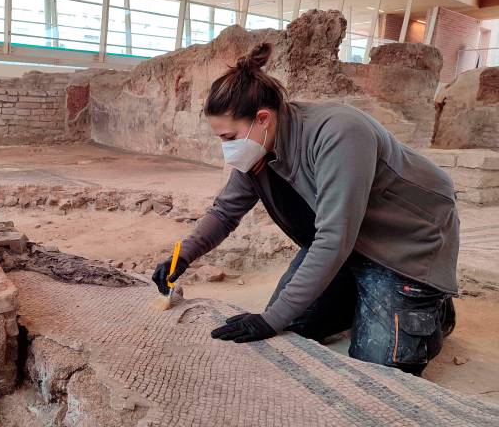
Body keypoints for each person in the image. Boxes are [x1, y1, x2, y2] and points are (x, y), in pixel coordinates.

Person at [151, 43, 458, 376]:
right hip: (347, 246)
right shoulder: (257, 149)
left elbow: (333, 237)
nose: (227, 148)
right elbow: (225, 213)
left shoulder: (338, 133)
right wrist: (183, 255)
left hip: (403, 247)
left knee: (380, 368)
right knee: (292, 323)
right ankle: (359, 297)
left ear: (262, 119)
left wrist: (270, 320)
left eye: (229, 137)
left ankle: (434, 311)